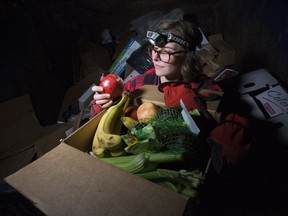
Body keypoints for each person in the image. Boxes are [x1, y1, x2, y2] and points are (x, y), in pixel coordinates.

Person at [90, 19, 222, 118]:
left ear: (187, 55)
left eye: (165, 52)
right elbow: (97, 118)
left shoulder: (206, 88)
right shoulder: (139, 83)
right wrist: (103, 103)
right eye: (154, 49)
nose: (156, 58)